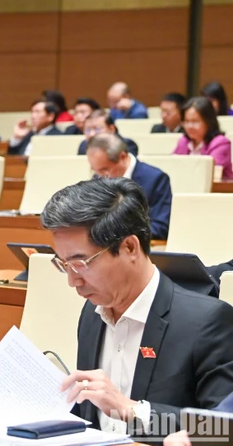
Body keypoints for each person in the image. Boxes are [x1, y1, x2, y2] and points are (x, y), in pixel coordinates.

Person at [42, 178, 233, 438]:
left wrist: (132, 410)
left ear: (129, 247)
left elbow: (221, 432)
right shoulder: (92, 312)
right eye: (64, 264)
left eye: (81, 263)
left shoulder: (206, 322)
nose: (72, 280)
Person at [86, 133, 171, 239]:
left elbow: (160, 227)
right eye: (95, 170)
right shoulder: (97, 178)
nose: (99, 176)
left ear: (122, 157)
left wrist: (120, 233)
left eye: (105, 169)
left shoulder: (155, 179)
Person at [173, 97, 233, 180]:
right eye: (186, 121)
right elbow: (173, 168)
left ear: (209, 122)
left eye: (195, 121)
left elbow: (209, 175)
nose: (189, 126)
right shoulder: (183, 141)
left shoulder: (220, 143)